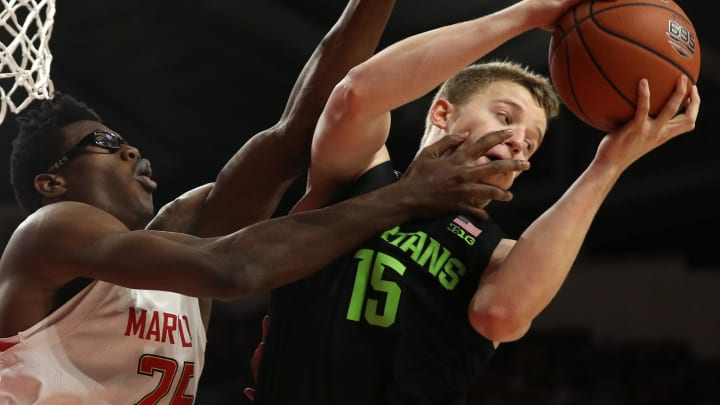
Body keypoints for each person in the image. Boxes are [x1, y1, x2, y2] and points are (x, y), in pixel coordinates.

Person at [0, 1, 526, 403]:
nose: (132, 147)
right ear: (53, 183)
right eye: (107, 144)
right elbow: (234, 269)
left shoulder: (178, 234)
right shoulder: (50, 230)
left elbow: (296, 134)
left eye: (126, 139)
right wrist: (406, 197)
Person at [251, 0, 701, 403]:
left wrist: (607, 166)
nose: (519, 141)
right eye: (505, 116)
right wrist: (526, 13)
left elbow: (501, 314)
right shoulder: (355, 182)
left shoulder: (493, 254)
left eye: (533, 142)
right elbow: (355, 96)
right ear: (443, 113)